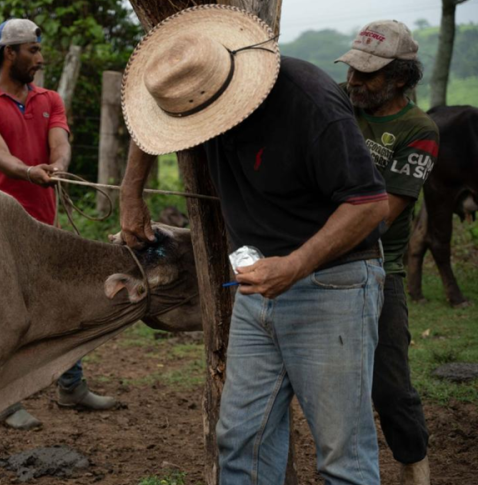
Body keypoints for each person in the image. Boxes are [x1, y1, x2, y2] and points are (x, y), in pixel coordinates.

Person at [117, 5, 388, 484]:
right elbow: (148, 119)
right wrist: (131, 191)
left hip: (332, 284)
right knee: (240, 442)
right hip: (256, 289)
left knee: (342, 457)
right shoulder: (193, 89)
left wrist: (295, 265)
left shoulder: (310, 103)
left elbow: (369, 205)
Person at [0, 18, 117, 430]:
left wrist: (58, 166)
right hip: (1, 226)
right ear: (9, 53)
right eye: (33, 50)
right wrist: (30, 172)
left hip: (45, 223)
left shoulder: (50, 99)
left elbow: (60, 143)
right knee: (7, 313)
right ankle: (3, 402)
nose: (40, 58)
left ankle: (71, 386)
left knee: (64, 302)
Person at [336, 20, 437, 485]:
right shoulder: (337, 99)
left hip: (378, 265)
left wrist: (306, 240)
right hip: (313, 255)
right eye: (352, 69)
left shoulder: (417, 129)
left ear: (399, 78)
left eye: (367, 74)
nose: (354, 81)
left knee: (391, 387)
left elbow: (382, 217)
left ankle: (414, 464)